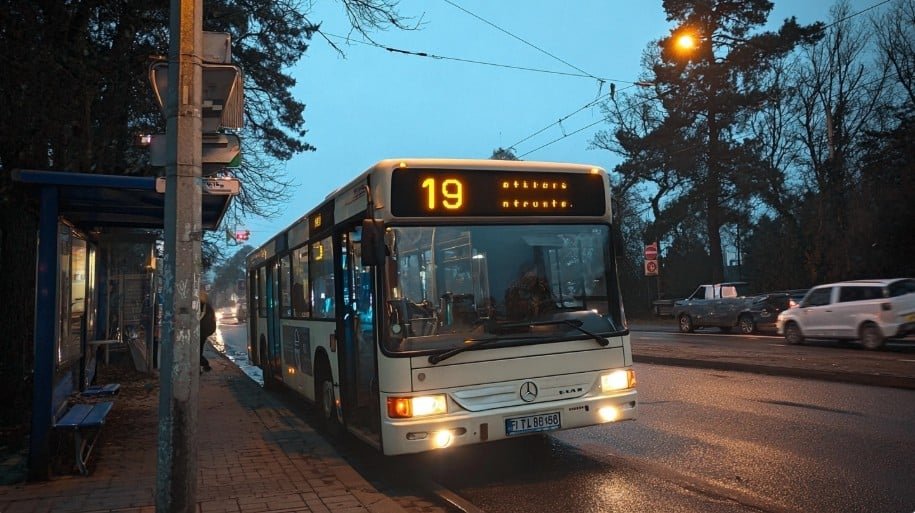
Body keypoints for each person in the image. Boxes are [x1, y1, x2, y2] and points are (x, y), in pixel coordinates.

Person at [199, 290, 216, 372]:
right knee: (199, 348)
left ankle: (204, 364)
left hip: (201, 331)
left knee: (197, 350)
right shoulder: (208, 306)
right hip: (205, 331)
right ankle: (202, 366)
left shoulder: (201, 305)